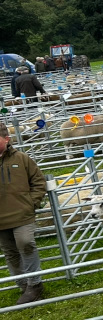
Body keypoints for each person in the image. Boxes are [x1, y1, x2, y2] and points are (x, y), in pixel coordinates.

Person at [0, 123, 46, 304]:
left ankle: (35, 284)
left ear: (6, 139)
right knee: (10, 251)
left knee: (25, 243)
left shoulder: (22, 158)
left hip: (22, 214)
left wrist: (30, 203)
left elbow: (38, 182)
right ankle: (22, 284)